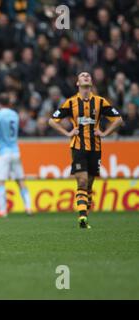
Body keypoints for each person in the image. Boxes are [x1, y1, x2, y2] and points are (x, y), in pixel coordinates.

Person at [49, 72, 123, 229]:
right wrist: (67, 133)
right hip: (78, 147)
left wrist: (105, 133)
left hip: (95, 148)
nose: (85, 76)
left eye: (88, 75)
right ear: (77, 83)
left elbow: (119, 120)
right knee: (82, 181)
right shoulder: (70, 103)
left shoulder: (100, 102)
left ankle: (84, 217)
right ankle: (82, 217)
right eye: (82, 75)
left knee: (89, 185)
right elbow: (52, 121)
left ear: (92, 82)